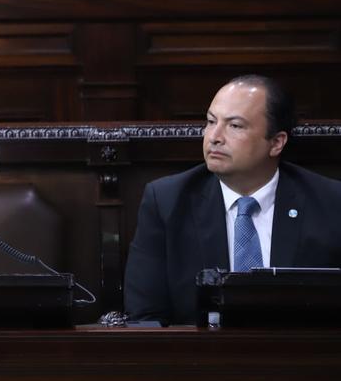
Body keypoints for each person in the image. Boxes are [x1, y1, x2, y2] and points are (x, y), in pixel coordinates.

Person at [124, 75, 341, 325]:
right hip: (198, 359)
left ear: (276, 142)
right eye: (210, 121)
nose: (215, 136)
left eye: (235, 126)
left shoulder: (330, 203)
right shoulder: (166, 202)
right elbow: (144, 317)